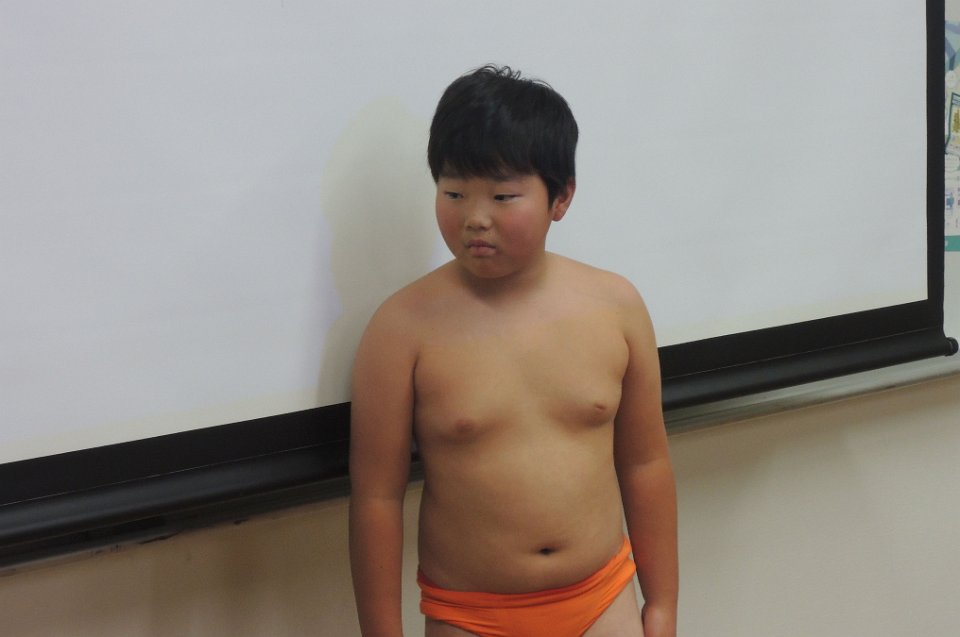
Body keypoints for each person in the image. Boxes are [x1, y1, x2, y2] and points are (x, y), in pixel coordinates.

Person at [349, 65, 678, 637]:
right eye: (453, 193)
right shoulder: (401, 329)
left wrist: (663, 602)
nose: (475, 218)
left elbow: (645, 462)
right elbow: (376, 497)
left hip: (605, 598)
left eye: (503, 196)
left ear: (561, 197)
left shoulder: (616, 306)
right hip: (471, 616)